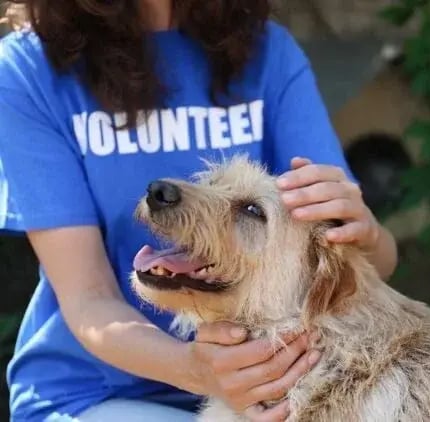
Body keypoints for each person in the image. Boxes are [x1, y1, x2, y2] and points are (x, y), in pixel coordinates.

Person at [0, 1, 398, 421]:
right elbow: (89, 298)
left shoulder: (266, 52)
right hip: (97, 396)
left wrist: (365, 232)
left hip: (276, 386)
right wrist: (197, 371)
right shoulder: (29, 70)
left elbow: (364, 265)